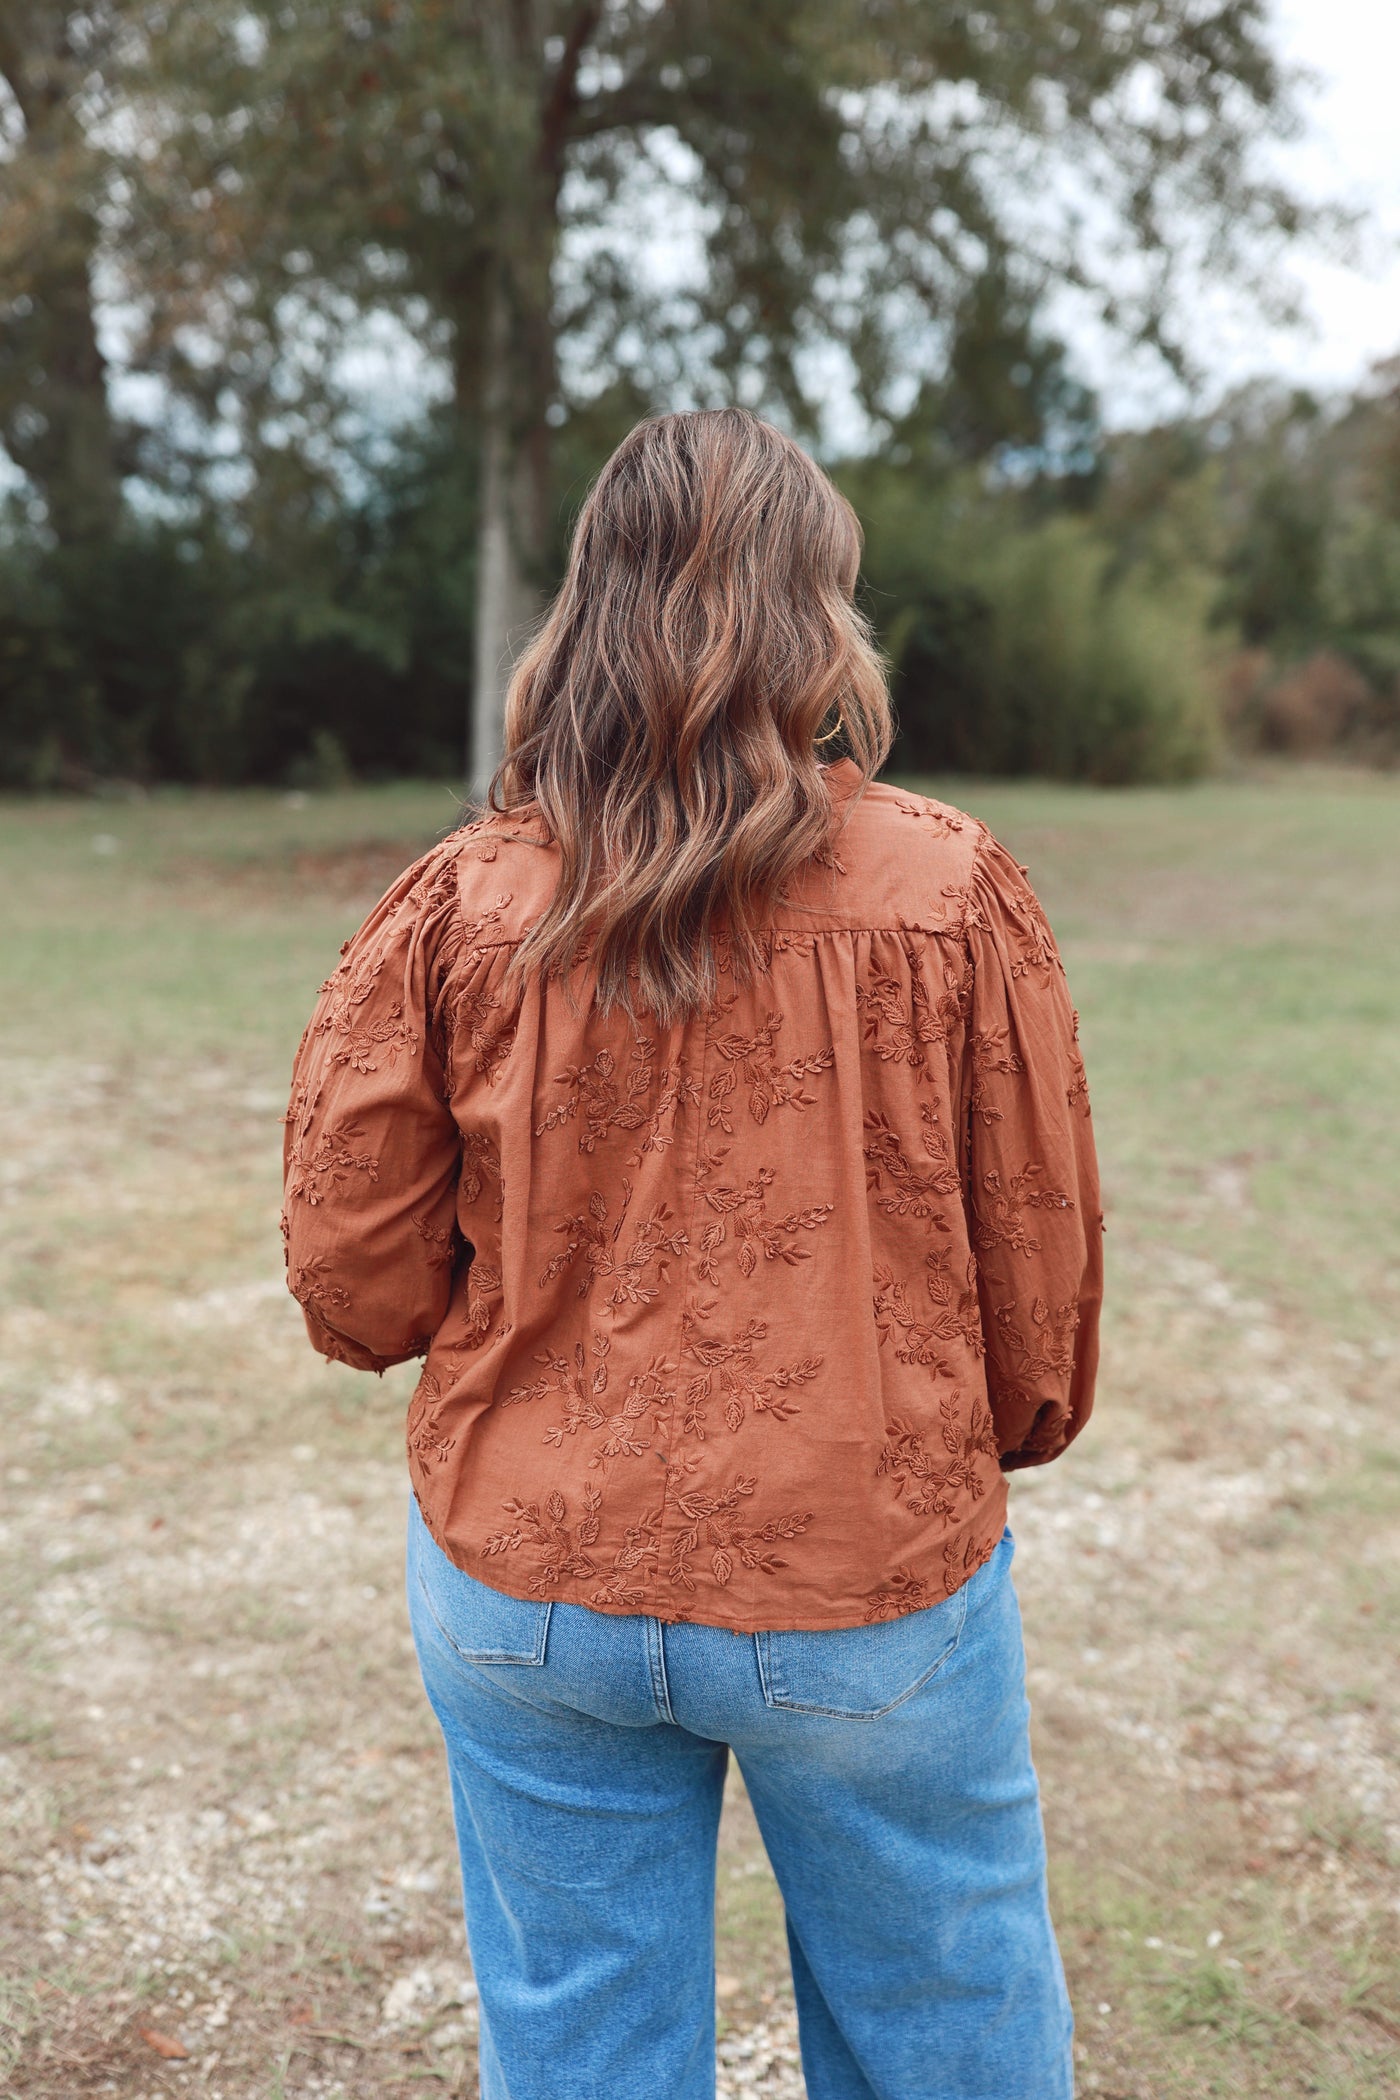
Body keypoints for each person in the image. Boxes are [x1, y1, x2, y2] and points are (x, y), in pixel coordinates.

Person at [281, 407, 1102, 2100]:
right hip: (864, 1572)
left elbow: (352, 1280)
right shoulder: (952, 890)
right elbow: (1041, 1272)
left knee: (580, 2040)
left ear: (586, 611)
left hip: (527, 1575)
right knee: (945, 2028)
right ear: (823, 619)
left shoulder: (458, 905)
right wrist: (972, 1440)